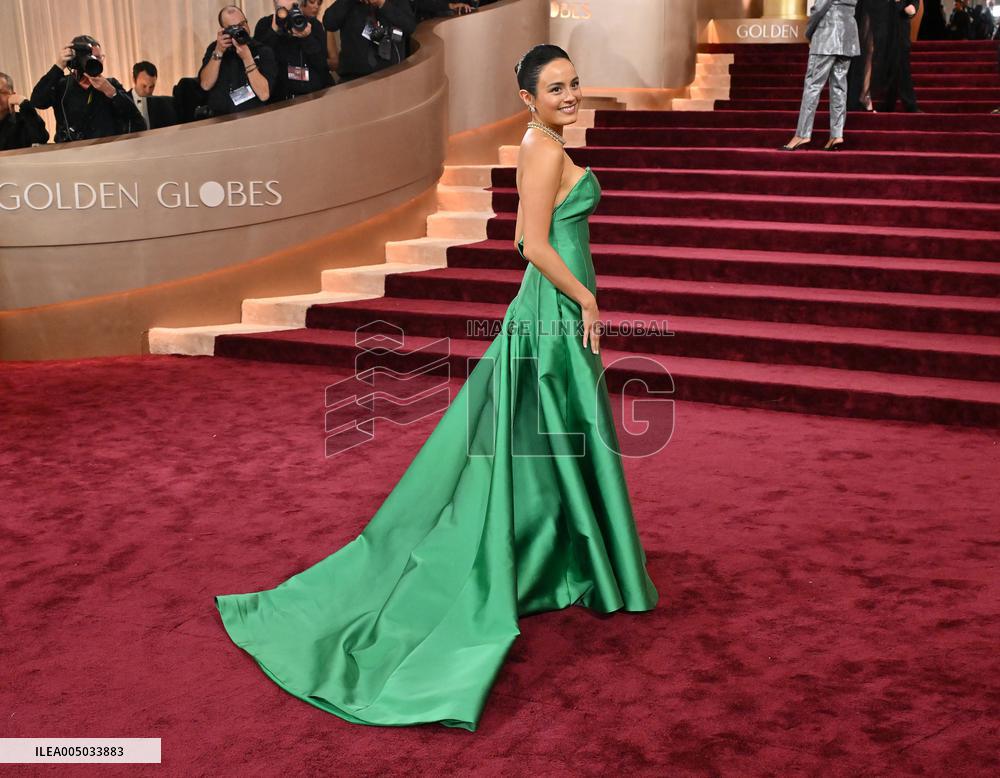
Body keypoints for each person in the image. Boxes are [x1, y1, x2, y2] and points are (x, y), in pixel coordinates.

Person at [214, 43, 659, 732]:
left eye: (574, 83)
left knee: (539, 436)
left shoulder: (541, 141)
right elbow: (529, 242)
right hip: (554, 304)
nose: (571, 95)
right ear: (529, 98)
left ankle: (565, 552)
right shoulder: (541, 150)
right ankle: (575, 558)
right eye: (556, 87)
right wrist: (587, 301)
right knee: (551, 430)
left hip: (553, 303)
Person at [30, 35, 145, 142]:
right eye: (92, 57)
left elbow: (137, 120)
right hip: (72, 154)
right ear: (76, 61)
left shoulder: (110, 85)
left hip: (107, 151)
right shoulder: (62, 85)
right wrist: (58, 66)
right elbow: (37, 101)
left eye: (99, 57)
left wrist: (112, 93)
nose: (97, 61)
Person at [780, 0, 860, 151]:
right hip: (848, 34)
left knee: (813, 86)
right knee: (839, 87)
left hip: (827, 33)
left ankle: (802, 134)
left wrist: (809, 33)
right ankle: (837, 134)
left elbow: (819, 8)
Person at [199, 5, 277, 116]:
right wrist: (219, 52)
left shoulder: (263, 50)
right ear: (224, 30)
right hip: (220, 118)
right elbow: (206, 84)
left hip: (253, 117)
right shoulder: (215, 49)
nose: (240, 30)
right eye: (233, 27)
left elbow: (264, 94)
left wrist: (247, 58)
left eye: (242, 24)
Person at [253, 0, 333, 101]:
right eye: (283, 11)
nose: (288, 15)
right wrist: (274, 31)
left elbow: (322, 64)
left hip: (312, 96)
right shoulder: (265, 24)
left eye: (293, 9)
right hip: (279, 100)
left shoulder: (313, 25)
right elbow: (259, 61)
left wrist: (307, 38)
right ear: (275, 6)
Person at [322, 0, 416, 83]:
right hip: (353, 77)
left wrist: (382, 4)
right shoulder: (348, 3)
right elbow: (329, 23)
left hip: (388, 74)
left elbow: (409, 26)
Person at [878, 0, 921, 112]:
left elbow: (913, 5)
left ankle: (908, 104)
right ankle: (888, 103)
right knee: (888, 66)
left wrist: (912, 8)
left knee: (902, 66)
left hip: (901, 29)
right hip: (885, 28)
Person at [0, 72, 49, 150]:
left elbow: (41, 139)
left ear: (13, 95)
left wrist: (23, 102)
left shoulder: (24, 120)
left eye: (2, 92)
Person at [128, 61, 178, 129]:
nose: (148, 91)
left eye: (152, 86)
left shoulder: (161, 104)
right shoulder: (123, 102)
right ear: (134, 80)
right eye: (144, 86)